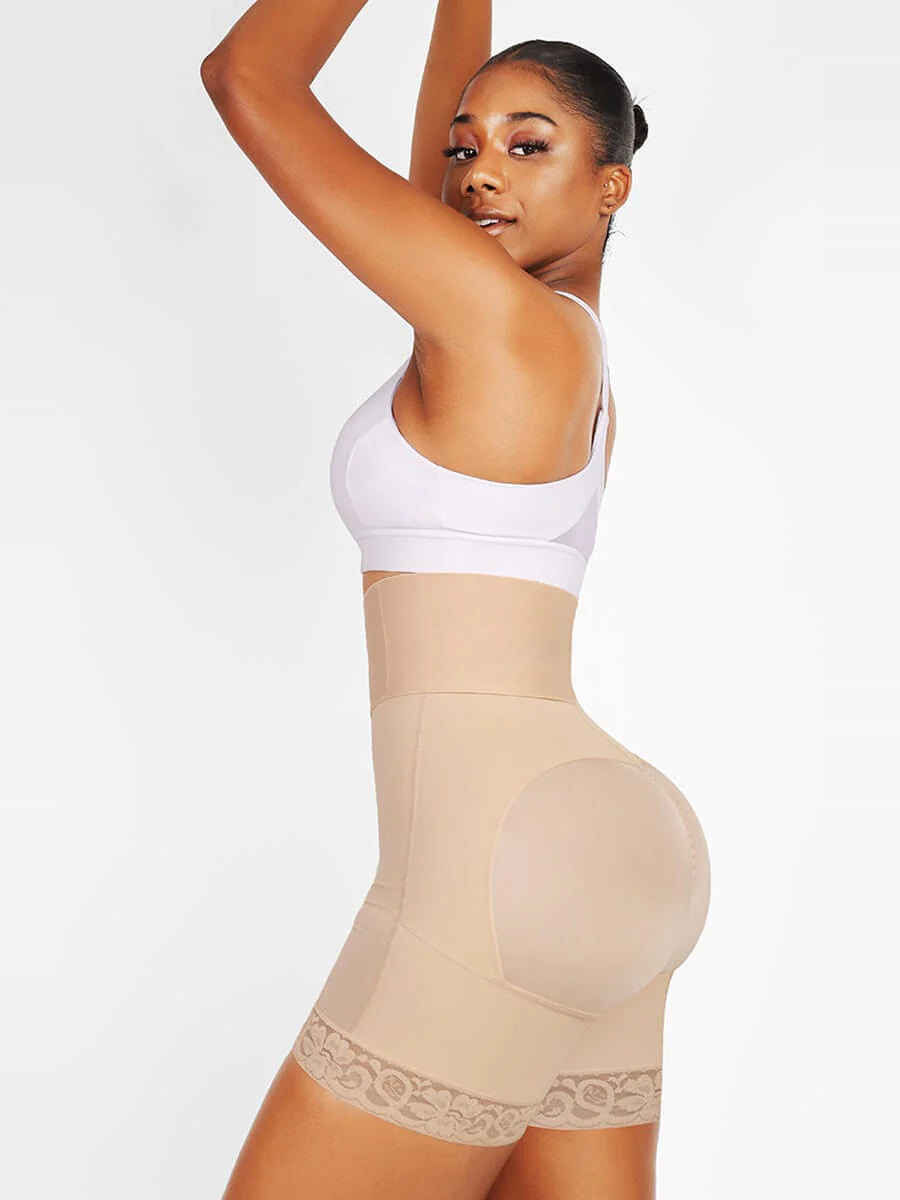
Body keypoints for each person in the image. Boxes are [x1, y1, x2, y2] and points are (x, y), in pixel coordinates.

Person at [200, 2, 711, 1196]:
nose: (479, 171)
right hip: (626, 850)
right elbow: (449, 187)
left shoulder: (495, 323)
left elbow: (247, 76)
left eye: (529, 146)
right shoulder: (561, 342)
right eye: (464, 147)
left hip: (491, 870)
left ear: (613, 186)